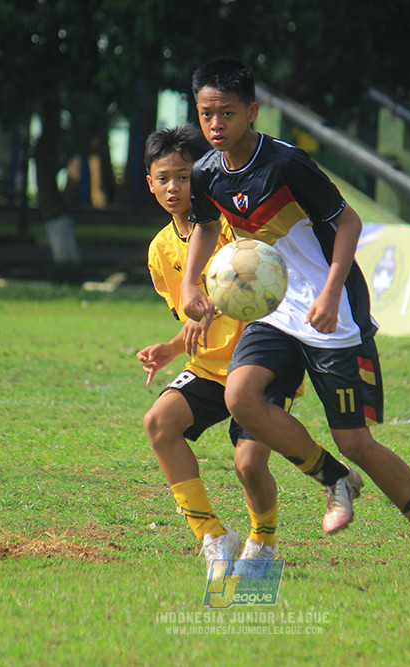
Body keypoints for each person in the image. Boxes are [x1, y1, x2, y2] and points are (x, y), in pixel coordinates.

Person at [179, 58, 410, 586]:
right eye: (205, 113)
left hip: (332, 308)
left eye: (226, 112)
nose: (215, 124)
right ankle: (332, 477)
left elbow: (348, 221)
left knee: (357, 440)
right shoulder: (206, 173)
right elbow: (203, 226)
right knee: (240, 397)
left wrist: (333, 292)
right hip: (278, 308)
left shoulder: (287, 165)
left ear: (252, 112)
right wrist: (189, 283)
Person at [136, 125, 289, 577]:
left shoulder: (229, 225)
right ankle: (213, 536)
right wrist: (168, 348)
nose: (173, 187)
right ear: (149, 182)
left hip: (258, 363)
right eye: (163, 178)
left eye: (183, 176)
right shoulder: (160, 251)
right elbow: (194, 319)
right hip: (208, 367)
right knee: (160, 423)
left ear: (201, 175)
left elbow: (263, 287)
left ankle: (262, 541)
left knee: (249, 463)